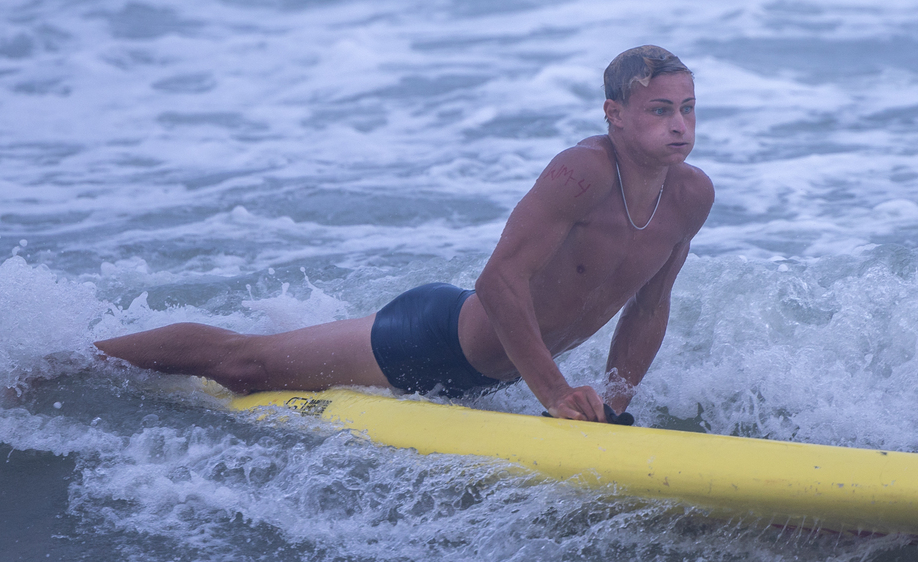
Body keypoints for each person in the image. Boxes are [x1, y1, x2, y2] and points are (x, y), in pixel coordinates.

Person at [95, 45, 713, 424]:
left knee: (249, 363)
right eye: (660, 111)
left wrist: (613, 407)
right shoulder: (582, 172)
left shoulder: (690, 196)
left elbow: (648, 307)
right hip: (434, 342)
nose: (679, 126)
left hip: (495, 373)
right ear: (613, 114)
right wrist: (552, 394)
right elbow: (498, 282)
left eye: (687, 109)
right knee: (244, 366)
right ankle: (76, 360)